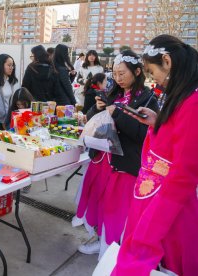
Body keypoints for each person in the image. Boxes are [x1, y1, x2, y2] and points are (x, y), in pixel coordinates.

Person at [113, 35, 198, 276]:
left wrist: (150, 229)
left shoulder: (192, 101)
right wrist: (157, 122)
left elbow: (184, 173)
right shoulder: (183, 95)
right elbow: (174, 138)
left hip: (168, 207)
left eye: (152, 72)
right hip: (156, 195)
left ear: (167, 61)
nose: (153, 79)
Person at [75, 50, 159, 257]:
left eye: (123, 73)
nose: (118, 78)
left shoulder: (148, 99)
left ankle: (113, 249)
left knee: (117, 211)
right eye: (115, 73)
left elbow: (142, 135)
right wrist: (96, 108)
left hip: (124, 165)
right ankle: (99, 237)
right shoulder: (114, 92)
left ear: (137, 71)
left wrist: (118, 113)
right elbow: (92, 119)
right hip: (101, 159)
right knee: (98, 202)